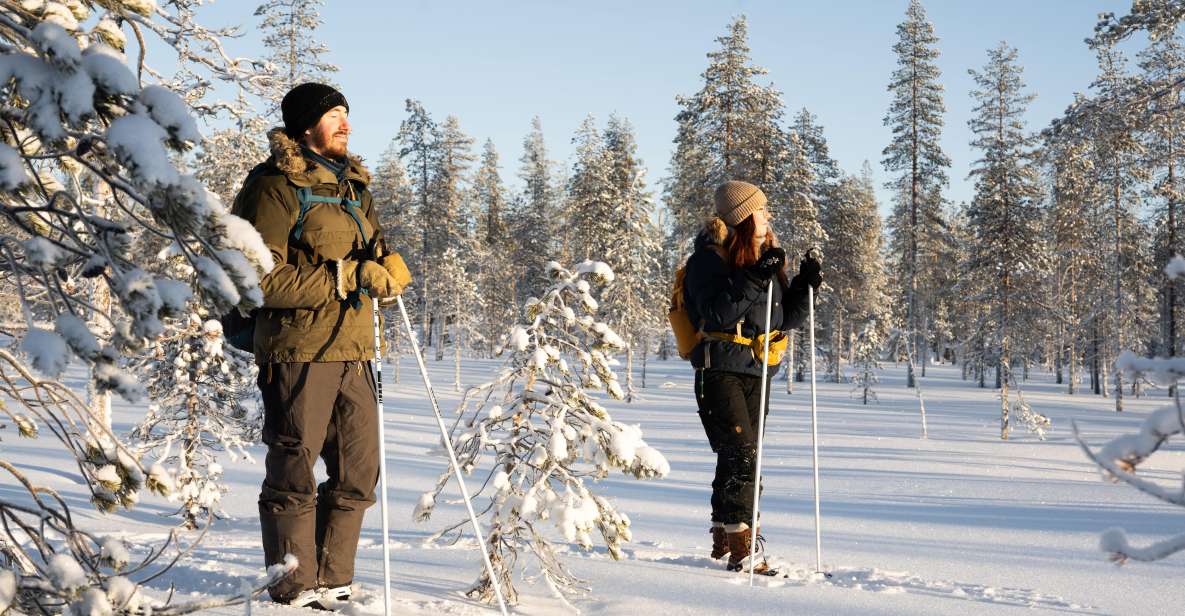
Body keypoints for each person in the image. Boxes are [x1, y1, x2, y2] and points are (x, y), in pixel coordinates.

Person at [232, 83, 412, 608]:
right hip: (298, 351)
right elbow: (257, 280)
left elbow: (370, 256)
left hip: (355, 349)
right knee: (294, 470)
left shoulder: (353, 188)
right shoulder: (273, 187)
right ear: (306, 124)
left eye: (346, 115)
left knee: (359, 471)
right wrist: (346, 277)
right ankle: (293, 589)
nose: (346, 125)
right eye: (335, 115)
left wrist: (388, 268)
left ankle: (334, 582)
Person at [682, 180, 822, 574]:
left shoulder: (764, 259)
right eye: (761, 210)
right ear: (743, 217)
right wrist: (757, 276)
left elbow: (782, 320)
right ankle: (745, 547)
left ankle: (726, 537)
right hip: (719, 369)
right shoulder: (708, 261)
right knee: (742, 456)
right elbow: (717, 314)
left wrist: (803, 286)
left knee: (743, 455)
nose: (768, 216)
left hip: (757, 370)